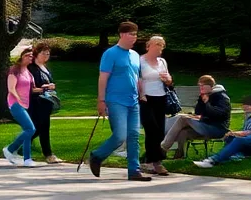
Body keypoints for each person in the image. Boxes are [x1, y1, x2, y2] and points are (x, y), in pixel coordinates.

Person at [87, 21, 151, 181]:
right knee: (120, 135)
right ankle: (97, 155)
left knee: (134, 136)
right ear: (122, 34)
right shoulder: (110, 53)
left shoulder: (135, 56)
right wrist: (101, 100)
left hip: (133, 101)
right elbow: (103, 77)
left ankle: (134, 171)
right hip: (115, 101)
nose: (134, 38)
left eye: (136, 35)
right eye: (131, 34)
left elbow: (137, 77)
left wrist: (141, 92)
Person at [161, 75, 231, 159]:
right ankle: (179, 154)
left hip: (217, 128)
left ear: (210, 86)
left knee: (183, 119)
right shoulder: (205, 95)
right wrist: (201, 100)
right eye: (199, 85)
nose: (200, 88)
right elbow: (198, 112)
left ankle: (163, 148)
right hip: (205, 125)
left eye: (202, 85)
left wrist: (207, 103)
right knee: (183, 132)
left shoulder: (222, 97)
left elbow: (218, 115)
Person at [139, 35, 174, 174]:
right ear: (149, 46)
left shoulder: (162, 62)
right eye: (156, 45)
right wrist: (141, 94)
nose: (159, 48)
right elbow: (137, 79)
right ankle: (157, 162)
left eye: (161, 46)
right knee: (151, 128)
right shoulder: (140, 61)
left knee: (159, 131)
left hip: (161, 97)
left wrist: (168, 80)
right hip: (146, 98)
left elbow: (169, 80)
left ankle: (149, 160)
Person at [194, 94, 251, 168]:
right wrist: (235, 133)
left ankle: (212, 161)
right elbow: (247, 129)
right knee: (230, 137)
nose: (243, 107)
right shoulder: (248, 114)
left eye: (246, 106)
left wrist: (242, 133)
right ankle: (235, 156)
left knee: (239, 140)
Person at [2, 48, 38, 168]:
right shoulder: (14, 70)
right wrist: (19, 99)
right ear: (22, 56)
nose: (30, 57)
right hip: (15, 104)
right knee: (31, 130)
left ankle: (27, 159)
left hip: (24, 105)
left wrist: (46, 88)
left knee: (27, 131)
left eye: (31, 56)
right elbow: (11, 88)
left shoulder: (28, 72)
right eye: (28, 55)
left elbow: (32, 89)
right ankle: (10, 149)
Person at [27, 42, 63, 163]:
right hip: (36, 102)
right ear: (36, 53)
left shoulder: (44, 68)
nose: (46, 55)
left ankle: (20, 148)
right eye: (43, 53)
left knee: (40, 128)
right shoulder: (31, 68)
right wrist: (46, 87)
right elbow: (30, 87)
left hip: (46, 102)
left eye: (48, 53)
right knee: (38, 128)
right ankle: (48, 154)